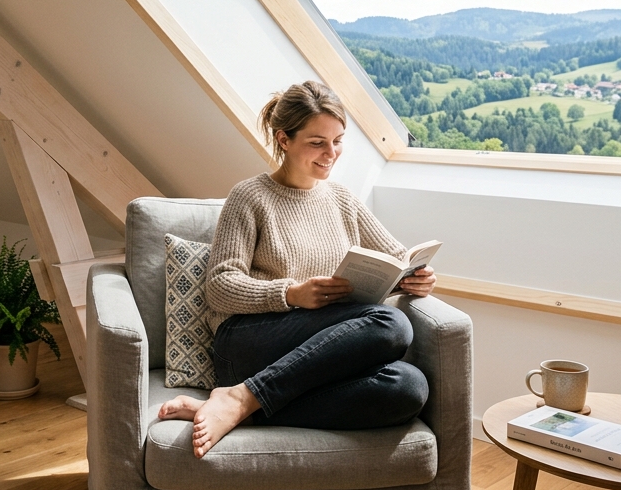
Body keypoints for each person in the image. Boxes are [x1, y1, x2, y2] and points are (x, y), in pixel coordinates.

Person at [158, 81, 437, 458]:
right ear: (284, 139)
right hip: (247, 340)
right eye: (317, 142)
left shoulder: (341, 198)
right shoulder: (250, 196)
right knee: (392, 325)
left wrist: (416, 277)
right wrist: (291, 294)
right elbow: (220, 286)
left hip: (314, 349)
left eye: (338, 140)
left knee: (407, 387)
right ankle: (241, 392)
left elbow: (396, 256)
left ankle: (244, 407)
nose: (331, 153)